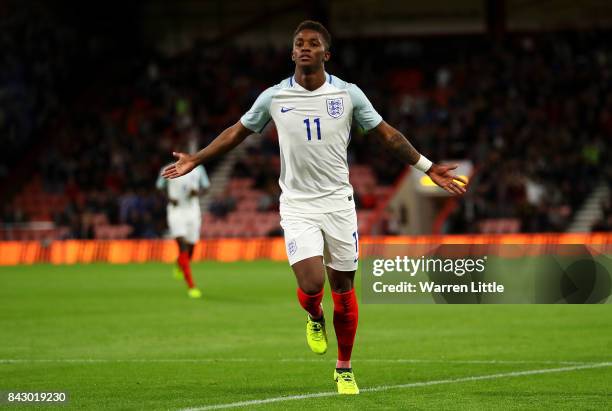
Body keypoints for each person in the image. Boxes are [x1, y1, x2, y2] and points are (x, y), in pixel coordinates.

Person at [162, 20, 467, 393]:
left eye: (313, 43)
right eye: (299, 43)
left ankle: (344, 368)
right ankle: (313, 315)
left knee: (344, 289)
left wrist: (427, 166)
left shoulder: (349, 94)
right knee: (311, 284)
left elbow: (388, 135)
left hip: (339, 204)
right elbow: (236, 132)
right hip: (297, 205)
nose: (305, 47)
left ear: (327, 53)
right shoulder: (273, 97)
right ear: (292, 53)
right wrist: (198, 158)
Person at [157, 162, 210, 299]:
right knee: (182, 246)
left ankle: (179, 263)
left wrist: (197, 193)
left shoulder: (199, 169)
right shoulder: (168, 169)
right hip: (176, 211)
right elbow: (159, 187)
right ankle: (191, 286)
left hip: (193, 211)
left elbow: (206, 187)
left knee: (191, 248)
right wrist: (169, 199)